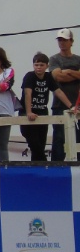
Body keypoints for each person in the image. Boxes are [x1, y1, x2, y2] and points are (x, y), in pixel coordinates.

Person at [21, 51, 76, 161]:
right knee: (35, 145)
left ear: (47, 66)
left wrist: (71, 106)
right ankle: (45, 165)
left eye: (41, 65)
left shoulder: (48, 77)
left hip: (42, 113)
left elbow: (58, 92)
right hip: (28, 113)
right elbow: (28, 93)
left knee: (40, 144)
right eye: (36, 65)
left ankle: (38, 171)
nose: (39, 68)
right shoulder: (29, 76)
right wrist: (29, 112)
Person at [50, 29, 80, 161]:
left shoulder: (78, 59)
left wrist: (67, 71)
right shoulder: (54, 59)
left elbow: (62, 75)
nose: (62, 43)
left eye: (65, 40)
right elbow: (57, 77)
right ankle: (57, 167)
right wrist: (76, 74)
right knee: (59, 138)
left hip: (78, 104)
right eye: (60, 40)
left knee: (78, 137)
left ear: (71, 41)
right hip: (59, 105)